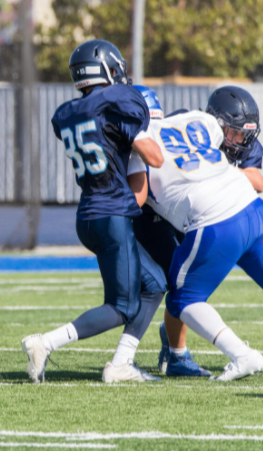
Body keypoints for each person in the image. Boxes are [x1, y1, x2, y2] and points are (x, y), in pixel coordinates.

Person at [21, 40, 167, 384]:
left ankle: (121, 364)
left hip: (88, 214)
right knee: (121, 307)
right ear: (107, 70)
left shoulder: (69, 113)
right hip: (112, 213)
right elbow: (155, 157)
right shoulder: (115, 106)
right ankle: (45, 343)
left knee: (154, 283)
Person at [129, 106, 263, 381]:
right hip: (253, 207)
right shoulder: (199, 120)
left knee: (181, 299)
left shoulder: (135, 148)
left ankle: (241, 354)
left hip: (215, 219)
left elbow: (137, 196)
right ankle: (178, 357)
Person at [127, 85, 210, 377]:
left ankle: (173, 348)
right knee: (160, 286)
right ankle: (168, 353)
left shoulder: (172, 135)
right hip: (142, 220)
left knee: (186, 283)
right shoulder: (127, 145)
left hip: (177, 218)